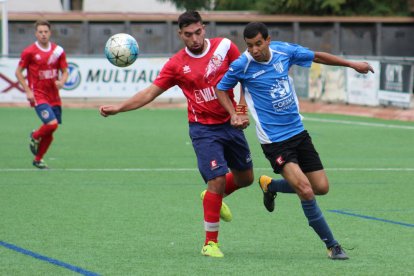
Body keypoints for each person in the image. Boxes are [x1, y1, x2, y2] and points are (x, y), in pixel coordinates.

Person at [99, 11, 254, 258]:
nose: (194, 38)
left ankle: (211, 197)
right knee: (217, 180)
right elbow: (150, 93)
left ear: (204, 28)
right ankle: (210, 243)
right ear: (180, 34)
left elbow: (246, 78)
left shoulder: (225, 47)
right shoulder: (175, 64)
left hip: (230, 123)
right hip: (203, 128)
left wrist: (241, 110)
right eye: (188, 34)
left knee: (246, 179)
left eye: (198, 32)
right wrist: (119, 107)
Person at [215, 22, 374, 260]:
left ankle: (270, 185)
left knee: (321, 187)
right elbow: (221, 88)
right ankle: (332, 245)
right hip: (274, 141)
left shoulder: (284, 52)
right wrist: (234, 114)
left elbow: (317, 56)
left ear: (268, 40)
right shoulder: (242, 65)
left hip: (298, 132)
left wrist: (352, 64)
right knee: (306, 190)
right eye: (249, 46)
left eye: (258, 44)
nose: (254, 50)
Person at [15, 20, 69, 169]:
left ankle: (38, 159)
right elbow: (18, 72)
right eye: (40, 32)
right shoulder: (29, 52)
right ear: (36, 33)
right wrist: (27, 90)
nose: (43, 34)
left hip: (54, 96)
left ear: (50, 33)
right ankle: (35, 136)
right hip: (39, 95)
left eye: (46, 31)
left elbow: (65, 71)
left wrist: (62, 81)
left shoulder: (58, 51)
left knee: (51, 128)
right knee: (51, 124)